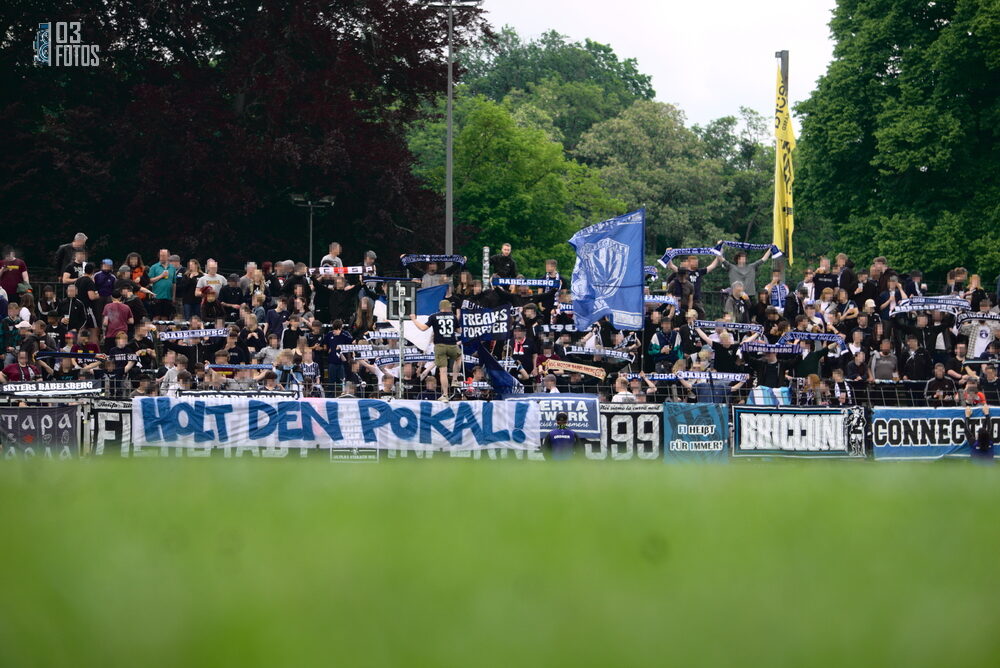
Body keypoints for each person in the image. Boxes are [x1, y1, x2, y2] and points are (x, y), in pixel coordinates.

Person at [410, 299, 462, 401]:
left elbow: (423, 328)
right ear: (449, 307)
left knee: (443, 371)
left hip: (440, 346)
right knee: (458, 358)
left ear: (440, 307)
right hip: (452, 344)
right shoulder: (453, 317)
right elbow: (459, 331)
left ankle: (445, 395)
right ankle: (455, 379)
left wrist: (414, 320)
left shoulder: (434, 316)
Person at [147, 248, 178, 318]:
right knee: (156, 317)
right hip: (157, 296)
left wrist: (173, 296)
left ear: (168, 256)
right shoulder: (154, 267)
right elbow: (149, 280)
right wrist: (161, 276)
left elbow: (174, 283)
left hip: (168, 296)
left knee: (166, 317)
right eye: (160, 256)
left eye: (164, 256)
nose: (161, 258)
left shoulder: (172, 268)